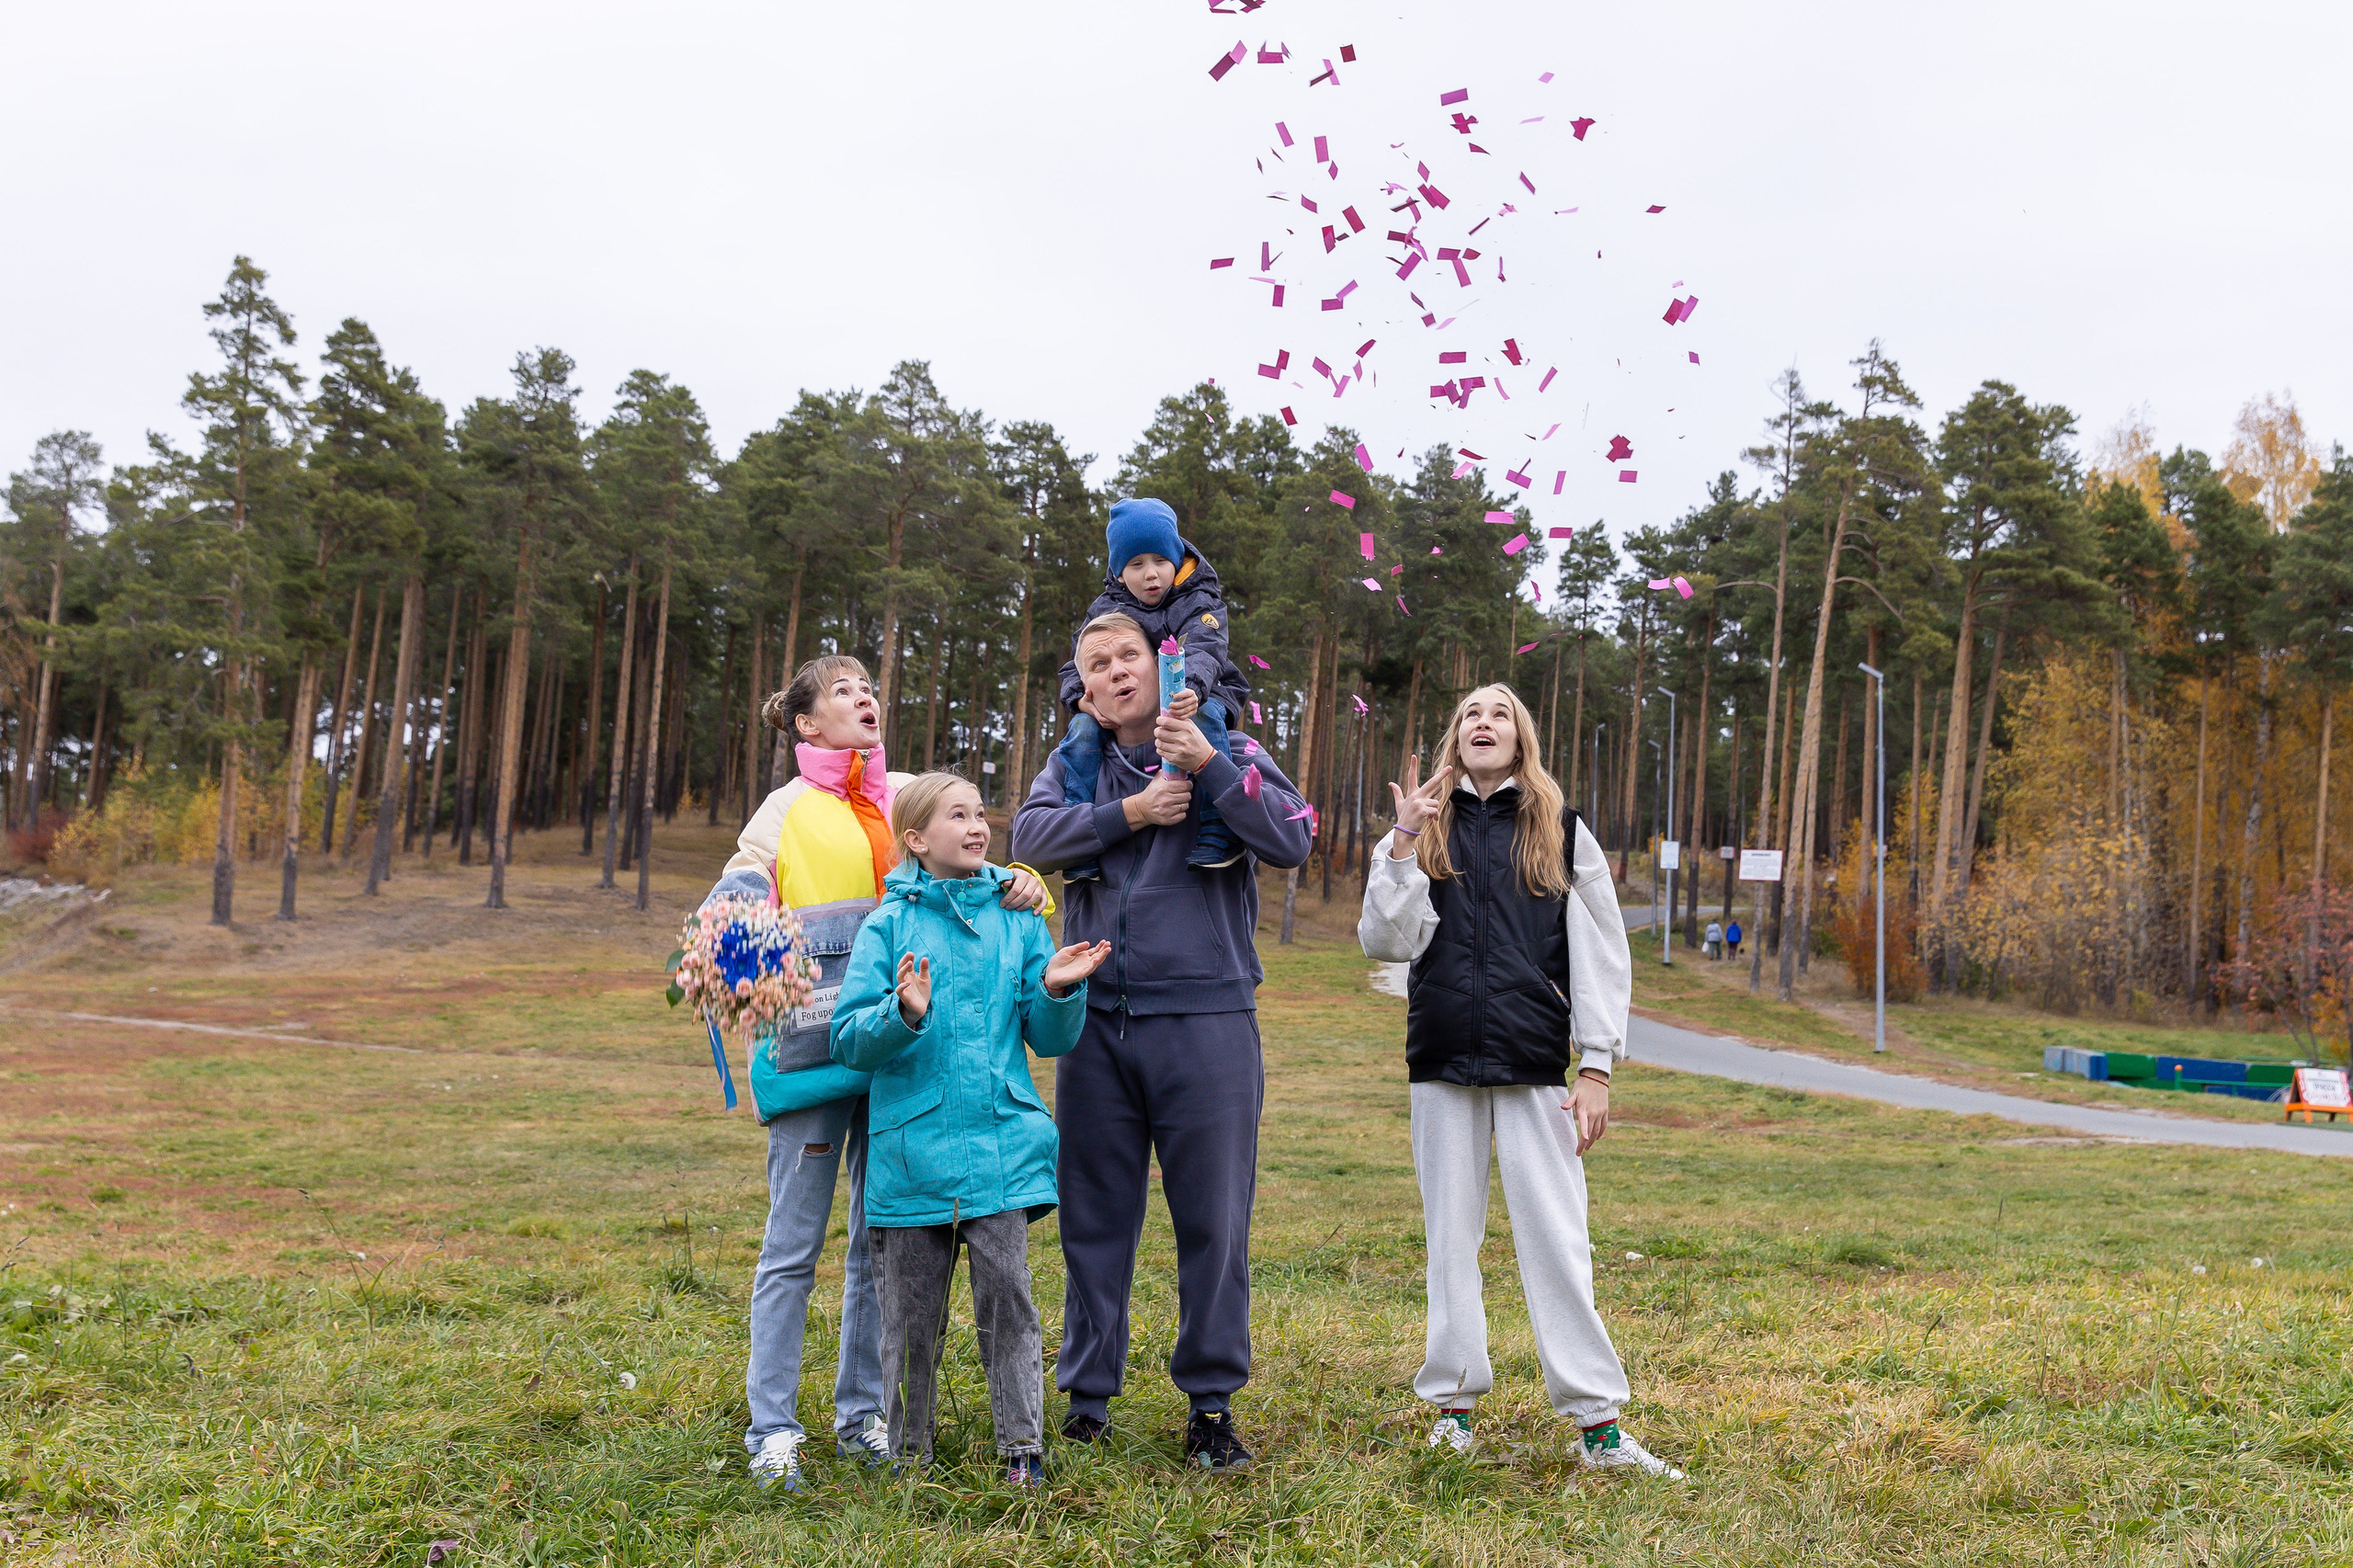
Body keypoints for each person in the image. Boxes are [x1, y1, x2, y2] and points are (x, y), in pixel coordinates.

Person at [708, 656, 1050, 1492]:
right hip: (815, 1060)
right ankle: (774, 1427)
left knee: (880, 1245)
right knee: (794, 1245)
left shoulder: (900, 796)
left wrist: (1014, 880)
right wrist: (738, 938)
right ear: (805, 724)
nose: (866, 699)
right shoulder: (783, 811)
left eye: (870, 688)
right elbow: (737, 898)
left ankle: (862, 1412)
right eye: (842, 693)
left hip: (903, 1061)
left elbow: (946, 861)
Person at [1011, 611, 1313, 1471]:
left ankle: (1211, 1407)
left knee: (1214, 1220)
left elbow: (1291, 836)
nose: (1113, 672)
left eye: (1126, 656)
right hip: (1096, 1026)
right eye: (1095, 665)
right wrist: (1134, 811)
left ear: (1162, 663)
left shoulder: (1232, 749)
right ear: (1090, 696)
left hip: (1209, 1022)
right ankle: (1088, 1400)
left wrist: (1208, 768)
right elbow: (1030, 840)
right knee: (1095, 1216)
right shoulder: (1075, 769)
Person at [1358, 684, 1683, 1479]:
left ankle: (1598, 1426)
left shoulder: (1560, 830)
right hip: (1439, 1064)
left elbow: (1603, 951)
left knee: (1558, 1242)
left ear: (1521, 738)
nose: (1483, 723)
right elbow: (1385, 939)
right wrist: (1402, 844)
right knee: (1450, 1245)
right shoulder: (1420, 830)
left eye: (1498, 714)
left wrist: (1597, 1064)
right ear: (1454, 737)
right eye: (1468, 712)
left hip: (1535, 1064)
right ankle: (1455, 1410)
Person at [829, 772, 1111, 1485]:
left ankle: (1023, 1450)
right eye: (958, 815)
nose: (978, 825)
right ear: (918, 839)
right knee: (910, 1322)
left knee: (1011, 1307)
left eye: (981, 812)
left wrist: (1054, 987)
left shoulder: (1018, 917)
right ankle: (910, 1455)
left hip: (1000, 1152)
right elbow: (847, 1040)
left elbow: (1046, 1039)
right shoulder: (886, 926)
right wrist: (906, 1013)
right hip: (910, 1158)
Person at [1053, 496, 1254, 880]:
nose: (1151, 575)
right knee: (1081, 730)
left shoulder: (1199, 598)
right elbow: (1077, 661)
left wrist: (1190, 687)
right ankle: (1077, 826)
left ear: (1176, 560)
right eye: (1136, 564)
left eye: (1161, 561)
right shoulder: (1105, 609)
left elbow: (1205, 646)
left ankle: (1219, 826)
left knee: (1206, 716)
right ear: (1118, 573)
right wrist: (1080, 698)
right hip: (1136, 706)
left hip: (1201, 689)